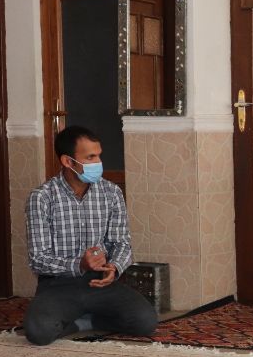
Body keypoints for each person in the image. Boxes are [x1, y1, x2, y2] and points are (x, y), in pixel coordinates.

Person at [23, 125, 157, 345]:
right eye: (90, 157)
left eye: (99, 156)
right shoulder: (42, 197)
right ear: (68, 161)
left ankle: (87, 321)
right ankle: (79, 321)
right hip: (58, 285)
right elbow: (37, 259)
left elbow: (122, 243)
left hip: (100, 282)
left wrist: (114, 267)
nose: (98, 163)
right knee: (38, 332)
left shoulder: (111, 192)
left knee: (145, 322)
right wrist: (79, 264)